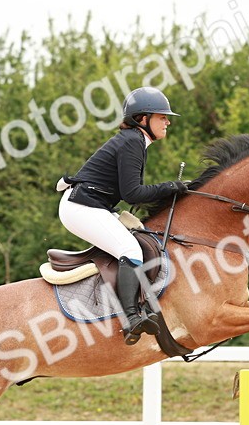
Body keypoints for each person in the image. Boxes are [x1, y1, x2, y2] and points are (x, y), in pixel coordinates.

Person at [57, 86, 188, 344]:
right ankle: (131, 319)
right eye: (162, 116)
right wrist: (171, 187)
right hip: (81, 207)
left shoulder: (135, 141)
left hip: (92, 205)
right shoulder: (132, 141)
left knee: (138, 241)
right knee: (130, 250)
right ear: (142, 119)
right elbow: (133, 193)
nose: (168, 121)